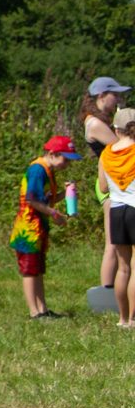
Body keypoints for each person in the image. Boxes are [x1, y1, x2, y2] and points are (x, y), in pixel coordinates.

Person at [13, 133, 75, 320]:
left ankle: (43, 309)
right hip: (28, 229)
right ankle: (34, 312)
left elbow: (45, 199)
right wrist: (54, 214)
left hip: (38, 228)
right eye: (65, 159)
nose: (67, 164)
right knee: (30, 270)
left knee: (38, 269)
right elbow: (32, 200)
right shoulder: (38, 170)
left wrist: (66, 194)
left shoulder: (48, 171)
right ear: (53, 153)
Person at [86, 80, 126, 298]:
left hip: (115, 181)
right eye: (115, 95)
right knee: (112, 242)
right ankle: (107, 293)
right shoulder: (95, 124)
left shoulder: (102, 120)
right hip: (108, 183)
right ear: (102, 95)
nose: (118, 100)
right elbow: (122, 148)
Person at [102, 107, 135, 329]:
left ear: (116, 128)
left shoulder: (106, 153)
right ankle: (134, 318)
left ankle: (122, 319)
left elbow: (103, 186)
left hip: (116, 210)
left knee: (123, 268)